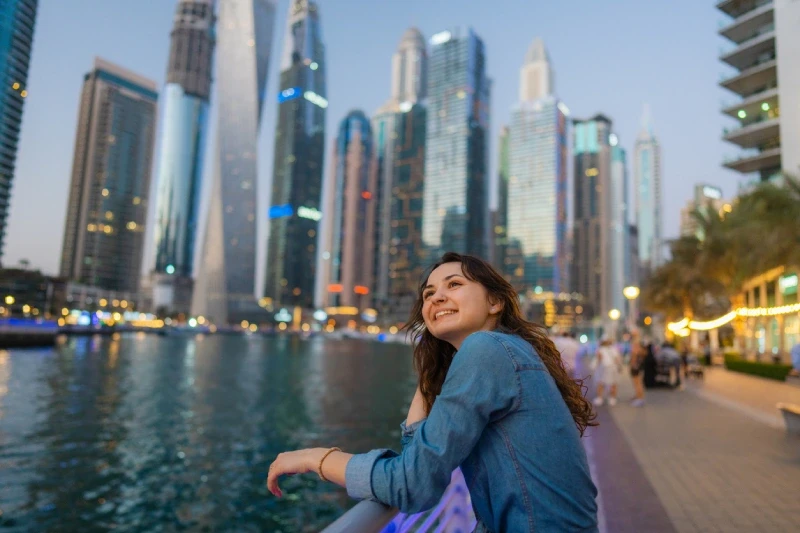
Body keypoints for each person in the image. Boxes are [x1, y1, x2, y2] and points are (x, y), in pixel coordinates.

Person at [267, 252, 599, 532]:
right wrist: (432, 369)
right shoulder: (504, 352)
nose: (436, 297)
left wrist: (315, 458)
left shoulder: (488, 349)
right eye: (428, 294)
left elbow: (411, 485)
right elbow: (418, 463)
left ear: (495, 301)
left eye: (454, 285)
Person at [592, 336, 623, 406]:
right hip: (613, 368)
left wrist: (594, 366)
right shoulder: (614, 349)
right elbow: (617, 359)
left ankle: (599, 398)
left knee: (600, 383)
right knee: (613, 383)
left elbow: (598, 359)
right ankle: (612, 399)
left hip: (603, 369)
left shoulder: (600, 349)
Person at [629, 336, 647, 407]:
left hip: (636, 368)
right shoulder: (642, 351)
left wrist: (632, 364)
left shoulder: (636, 350)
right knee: (638, 383)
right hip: (638, 368)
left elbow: (633, 360)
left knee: (637, 384)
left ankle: (640, 399)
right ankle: (638, 397)